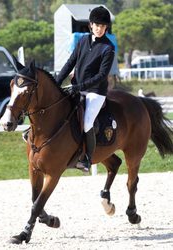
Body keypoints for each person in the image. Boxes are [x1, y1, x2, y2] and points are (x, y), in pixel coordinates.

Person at [56, 6, 115, 172]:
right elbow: (70, 63)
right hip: (77, 87)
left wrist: (78, 87)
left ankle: (88, 158)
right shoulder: (82, 41)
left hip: (96, 92)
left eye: (103, 27)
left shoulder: (108, 48)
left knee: (87, 122)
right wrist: (57, 82)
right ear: (91, 25)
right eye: (97, 25)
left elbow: (102, 75)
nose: (100, 29)